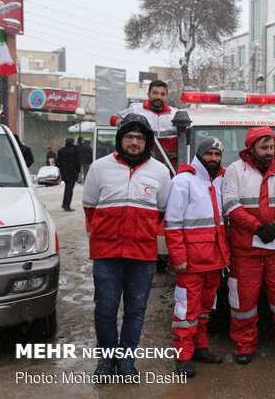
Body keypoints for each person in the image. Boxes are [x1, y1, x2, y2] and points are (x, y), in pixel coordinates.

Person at [82, 113, 171, 380]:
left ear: (148, 142)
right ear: (120, 139)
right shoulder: (99, 168)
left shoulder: (160, 171)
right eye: (129, 137)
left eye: (140, 138)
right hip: (106, 254)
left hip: (142, 254)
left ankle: (127, 360)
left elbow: (162, 211)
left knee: (135, 310)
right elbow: (89, 208)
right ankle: (106, 360)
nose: (134, 142)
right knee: (105, 309)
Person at [222, 126, 275, 365]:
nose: (269, 152)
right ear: (251, 148)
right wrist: (257, 227)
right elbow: (230, 204)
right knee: (243, 302)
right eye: (263, 147)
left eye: (272, 147)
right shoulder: (235, 170)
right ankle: (245, 344)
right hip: (246, 249)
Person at [164, 136, 230, 378]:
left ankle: (200, 348)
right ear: (200, 154)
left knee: (204, 308)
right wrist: (178, 256)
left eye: (217, 154)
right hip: (190, 261)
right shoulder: (182, 181)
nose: (213, 158)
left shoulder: (222, 180)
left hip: (214, 259)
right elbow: (172, 223)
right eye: (209, 153)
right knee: (185, 310)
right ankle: (183, 356)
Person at [110, 80, 178, 167]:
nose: (158, 97)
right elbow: (113, 119)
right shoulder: (135, 109)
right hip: (142, 162)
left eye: (162, 94)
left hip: (170, 165)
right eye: (155, 93)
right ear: (148, 94)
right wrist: (128, 126)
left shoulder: (175, 113)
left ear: (166, 97)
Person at [56, 137, 81, 211]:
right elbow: (78, 162)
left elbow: (57, 162)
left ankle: (65, 204)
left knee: (67, 188)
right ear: (73, 142)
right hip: (72, 173)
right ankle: (66, 205)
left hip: (65, 172)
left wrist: (62, 168)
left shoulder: (61, 151)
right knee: (70, 189)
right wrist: (77, 171)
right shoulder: (76, 151)